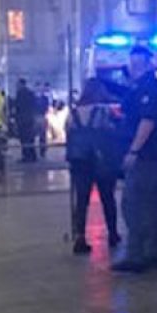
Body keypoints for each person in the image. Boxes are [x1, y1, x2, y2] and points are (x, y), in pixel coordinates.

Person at [112, 47, 157, 273]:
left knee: (136, 205)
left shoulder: (149, 88)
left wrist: (133, 151)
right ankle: (153, 253)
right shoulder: (140, 87)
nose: (134, 68)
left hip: (145, 156)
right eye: (132, 64)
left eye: (138, 64)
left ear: (148, 64)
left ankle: (139, 255)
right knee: (149, 206)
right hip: (147, 155)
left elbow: (148, 121)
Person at [67, 78, 120, 254]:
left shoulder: (73, 113)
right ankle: (112, 233)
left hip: (79, 161)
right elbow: (111, 131)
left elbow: (69, 133)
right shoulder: (102, 111)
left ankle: (80, 236)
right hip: (101, 160)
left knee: (81, 200)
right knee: (107, 198)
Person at [14, 79, 38, 162]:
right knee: (30, 138)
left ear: (21, 84)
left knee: (24, 139)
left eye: (17, 84)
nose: (16, 86)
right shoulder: (31, 93)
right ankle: (33, 156)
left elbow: (17, 107)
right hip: (30, 119)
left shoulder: (20, 94)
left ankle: (26, 156)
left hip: (22, 120)